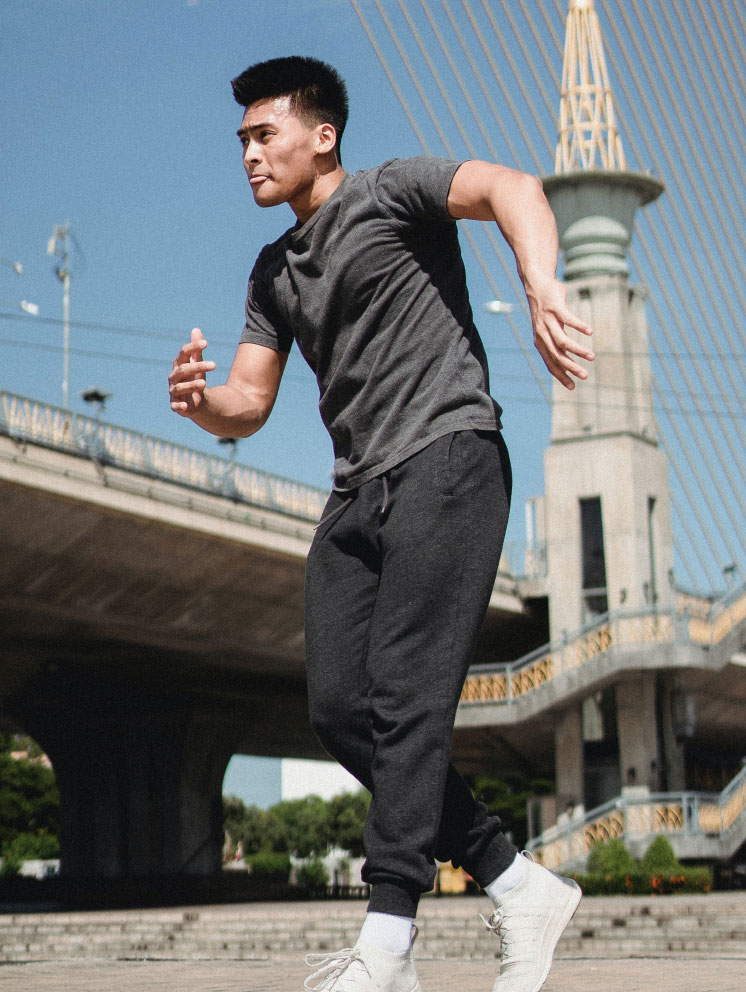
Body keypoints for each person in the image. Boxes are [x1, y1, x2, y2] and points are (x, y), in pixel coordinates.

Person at [169, 55, 594, 992]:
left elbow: (512, 187)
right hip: (358, 493)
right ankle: (519, 883)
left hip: (448, 456)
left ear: (321, 135)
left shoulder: (393, 192)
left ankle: (389, 946)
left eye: (262, 134)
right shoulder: (273, 271)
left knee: (406, 699)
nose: (247, 154)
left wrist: (540, 284)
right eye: (239, 140)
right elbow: (251, 398)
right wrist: (203, 406)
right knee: (339, 710)